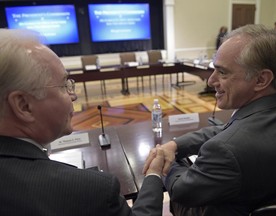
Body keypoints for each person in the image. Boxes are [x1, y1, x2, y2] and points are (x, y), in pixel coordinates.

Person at [0, 28, 165, 216]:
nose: (74, 95)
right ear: (23, 105)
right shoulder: (89, 191)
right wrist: (153, 173)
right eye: (64, 85)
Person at [143, 24, 276, 216]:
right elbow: (228, 130)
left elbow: (180, 191)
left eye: (222, 72)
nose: (211, 81)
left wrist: (164, 159)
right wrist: (175, 146)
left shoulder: (225, 151)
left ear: (261, 80)